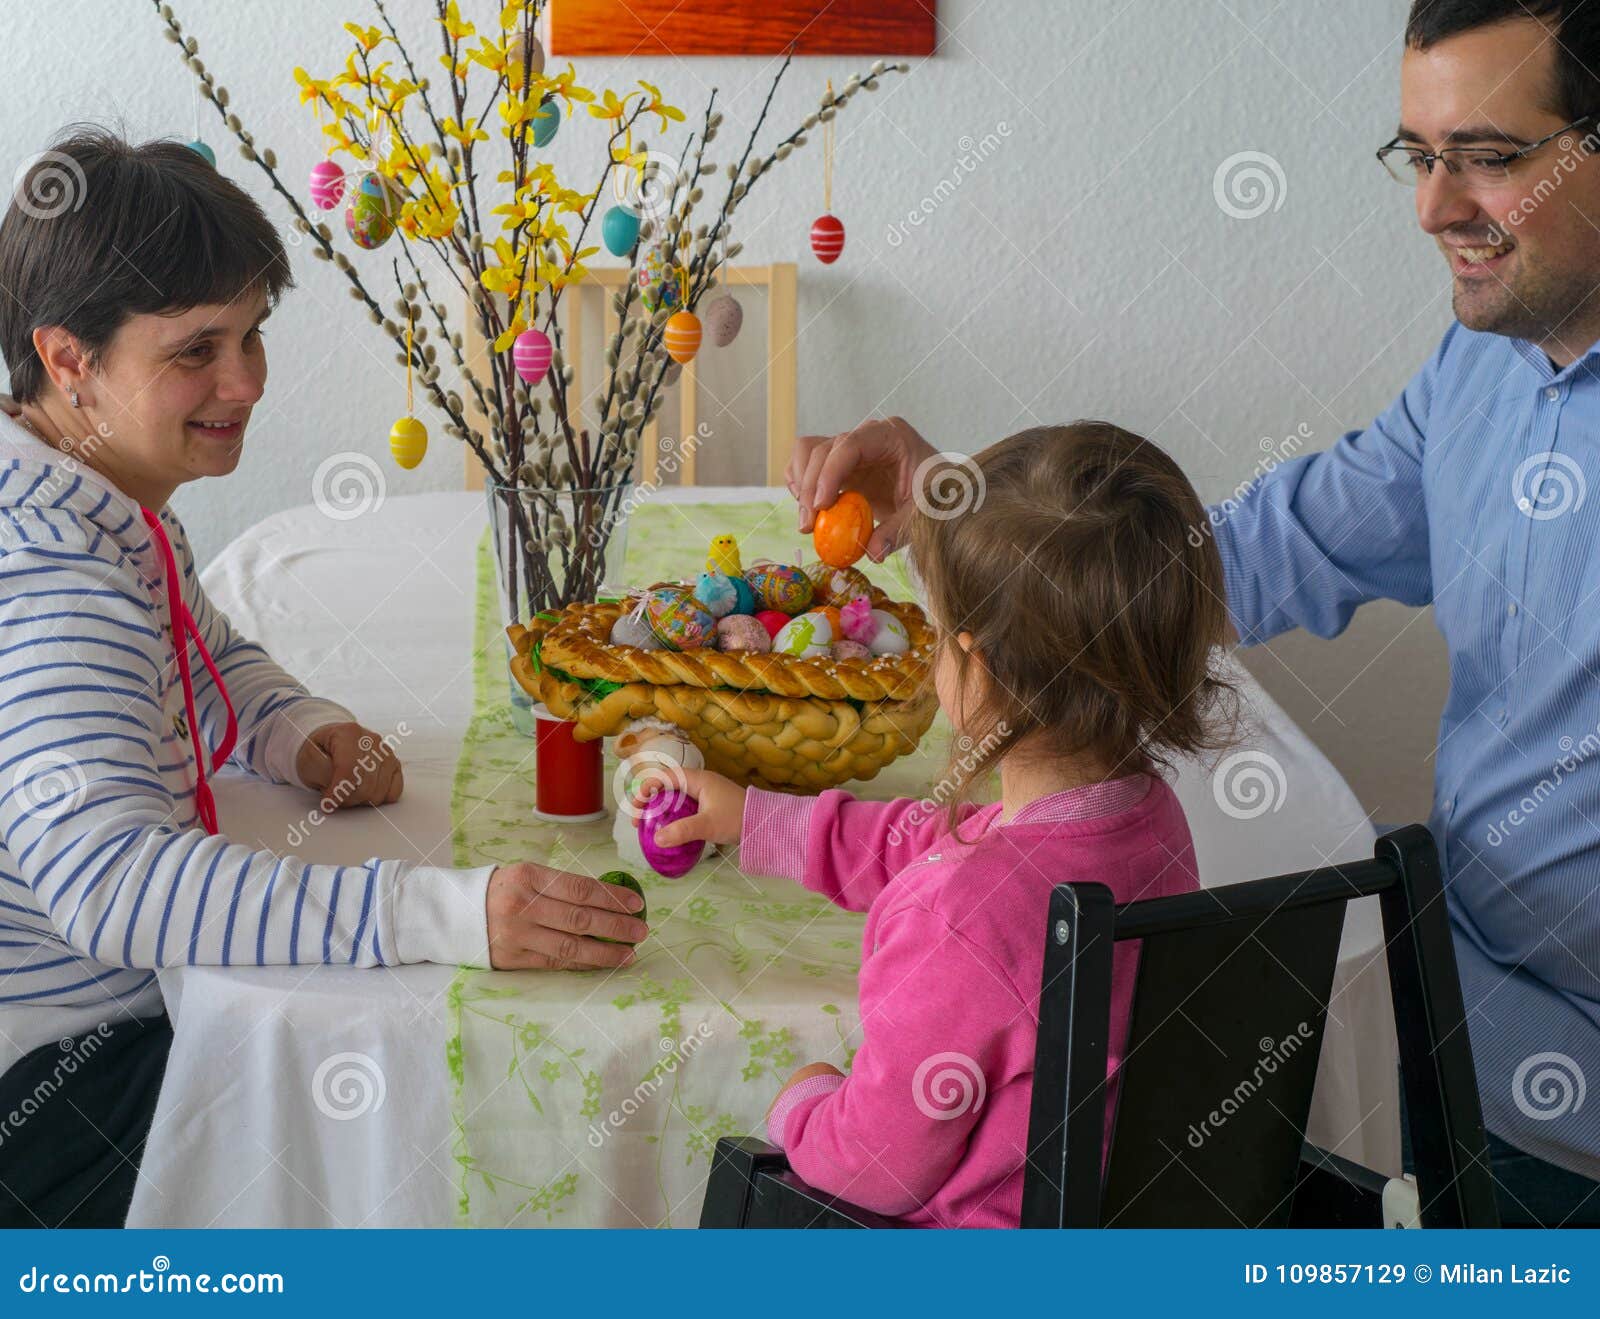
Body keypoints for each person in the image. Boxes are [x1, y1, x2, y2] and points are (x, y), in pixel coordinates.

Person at [788, 0, 1600, 1228]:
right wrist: (965, 511)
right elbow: (1240, 556)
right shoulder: (1481, 365)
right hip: (1441, 1028)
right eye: (1419, 156)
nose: (1433, 209)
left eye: (1488, 157)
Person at [0, 129, 646, 1228]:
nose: (245, 381)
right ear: (69, 358)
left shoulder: (86, 499)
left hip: (96, 1032)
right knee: (427, 1120)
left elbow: (204, 647)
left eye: (253, 335)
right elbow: (106, 881)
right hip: (59, 1095)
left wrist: (291, 721)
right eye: (197, 349)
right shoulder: (55, 577)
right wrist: (442, 910)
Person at [645, 423, 1233, 1226]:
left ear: (977, 670)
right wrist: (757, 819)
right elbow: (943, 842)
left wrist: (803, 1105)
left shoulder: (966, 918)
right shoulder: (1144, 815)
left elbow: (876, 1167)